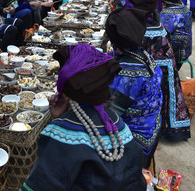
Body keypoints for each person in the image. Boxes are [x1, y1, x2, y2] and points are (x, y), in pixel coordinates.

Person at [21, 44, 146, 191]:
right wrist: (60, 118)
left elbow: (41, 184)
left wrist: (58, 121)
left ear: (65, 90)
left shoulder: (61, 134)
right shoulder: (117, 124)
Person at [125, 0, 191, 142]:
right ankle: (171, 127)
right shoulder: (155, 19)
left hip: (155, 69)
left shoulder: (143, 27)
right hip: (166, 65)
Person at [106, 7, 163, 168]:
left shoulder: (129, 72)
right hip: (153, 126)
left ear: (113, 40)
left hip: (136, 140)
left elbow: (109, 116)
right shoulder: (143, 55)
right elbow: (112, 57)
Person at [155, 0, 193, 68]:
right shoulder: (183, 8)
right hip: (184, 50)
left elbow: (159, 31)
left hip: (176, 55)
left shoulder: (169, 13)